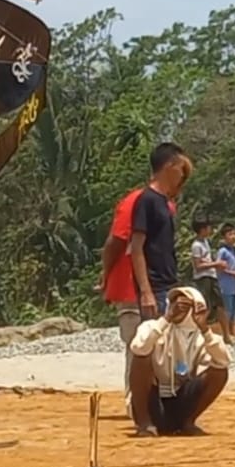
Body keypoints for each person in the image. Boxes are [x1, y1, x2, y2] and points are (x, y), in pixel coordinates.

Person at [100, 176, 177, 416]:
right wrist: (107, 274)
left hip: (147, 286)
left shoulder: (161, 204)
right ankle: (138, 404)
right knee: (142, 345)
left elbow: (116, 241)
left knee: (148, 346)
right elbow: (119, 242)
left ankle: (147, 402)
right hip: (133, 286)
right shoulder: (139, 202)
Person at [128, 287, 231, 437]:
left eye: (185, 306)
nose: (178, 308)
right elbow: (139, 347)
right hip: (154, 402)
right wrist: (167, 319)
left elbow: (224, 361)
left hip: (180, 401)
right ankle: (144, 424)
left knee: (220, 372)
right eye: (174, 303)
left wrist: (204, 328)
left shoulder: (200, 337)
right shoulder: (152, 326)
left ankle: (188, 423)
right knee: (140, 359)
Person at [131, 142, 192, 320]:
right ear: (169, 166)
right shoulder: (147, 200)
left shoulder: (164, 202)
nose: (182, 175)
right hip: (155, 287)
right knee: (157, 342)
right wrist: (146, 292)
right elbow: (136, 248)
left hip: (168, 283)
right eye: (180, 169)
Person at [189, 218, 227, 334]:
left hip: (212, 276)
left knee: (220, 305)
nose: (210, 230)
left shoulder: (206, 242)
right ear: (202, 229)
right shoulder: (196, 245)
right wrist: (216, 264)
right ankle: (199, 332)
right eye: (208, 227)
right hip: (203, 278)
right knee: (205, 306)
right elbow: (198, 265)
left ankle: (226, 334)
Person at [216, 224, 235, 345]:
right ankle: (226, 334)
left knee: (234, 309)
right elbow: (219, 267)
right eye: (230, 234)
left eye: (234, 234)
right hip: (226, 284)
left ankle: (232, 332)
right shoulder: (223, 251)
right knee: (227, 310)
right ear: (224, 237)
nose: (233, 237)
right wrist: (233, 273)